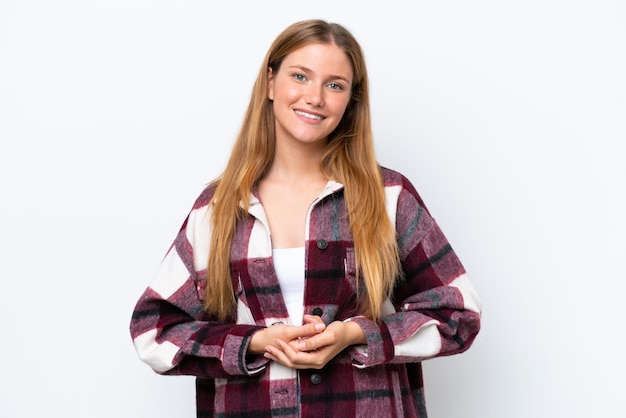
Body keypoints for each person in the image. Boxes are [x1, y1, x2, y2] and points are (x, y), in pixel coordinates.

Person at [130, 19, 481, 418]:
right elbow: (153, 330)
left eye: (334, 85)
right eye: (300, 76)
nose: (315, 97)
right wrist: (254, 343)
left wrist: (355, 334)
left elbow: (458, 312)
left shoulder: (388, 197)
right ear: (270, 82)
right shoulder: (218, 209)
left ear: (351, 101)